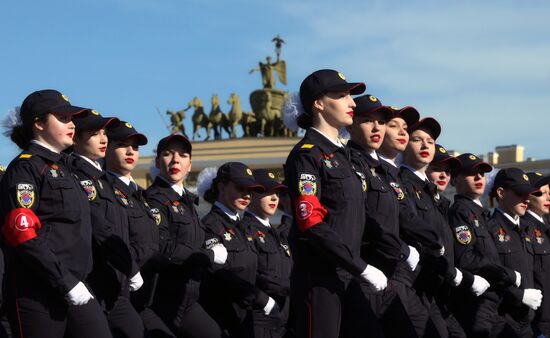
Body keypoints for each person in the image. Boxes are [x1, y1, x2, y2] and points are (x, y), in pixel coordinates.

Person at [283, 69, 388, 338]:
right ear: (318, 103)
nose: (352, 103)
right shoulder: (307, 156)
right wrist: (360, 266)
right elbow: (311, 221)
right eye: (342, 96)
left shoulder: (345, 157)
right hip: (320, 278)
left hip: (349, 275)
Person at [0, 89, 112, 338]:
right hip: (38, 290)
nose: (72, 124)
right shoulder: (25, 168)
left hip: (77, 284)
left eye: (72, 118)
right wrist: (64, 281)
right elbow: (22, 232)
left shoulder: (67, 168)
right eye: (62, 118)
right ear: (38, 123)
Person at [68, 110, 147, 337]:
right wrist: (130, 266)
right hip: (91, 282)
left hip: (115, 284)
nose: (103, 139)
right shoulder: (76, 174)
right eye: (95, 134)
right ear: (75, 138)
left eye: (104, 133)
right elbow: (99, 227)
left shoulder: (103, 179)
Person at [345, 94, 418, 337]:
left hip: (392, 275)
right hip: (365, 274)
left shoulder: (383, 170)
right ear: (351, 124)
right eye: (367, 120)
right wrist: (403, 249)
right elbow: (365, 219)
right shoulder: (349, 164)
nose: (377, 127)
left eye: (382, 121)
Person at [145, 134, 226, 337]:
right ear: (157, 162)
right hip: (161, 299)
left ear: (190, 165)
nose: (175, 160)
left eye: (183, 155)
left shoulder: (189, 203)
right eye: (168, 154)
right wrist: (207, 256)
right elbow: (163, 248)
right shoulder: (154, 200)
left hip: (188, 300)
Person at [376, 106, 443, 337]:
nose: (425, 145)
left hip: (419, 278)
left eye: (405, 128)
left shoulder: (396, 177)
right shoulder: (385, 173)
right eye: (393, 126)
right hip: (394, 274)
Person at [105, 121, 176, 337]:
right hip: (118, 291)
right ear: (105, 147)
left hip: (144, 295)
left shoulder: (140, 195)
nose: (130, 151)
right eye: (122, 145)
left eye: (135, 147)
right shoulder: (104, 189)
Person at [399, 117, 462, 337]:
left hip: (436, 288)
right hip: (414, 284)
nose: (426, 145)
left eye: (431, 141)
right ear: (404, 143)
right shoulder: (402, 183)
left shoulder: (432, 194)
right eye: (417, 139)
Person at [448, 153, 518, 337]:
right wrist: (507, 274)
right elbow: (466, 257)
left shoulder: (484, 214)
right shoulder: (460, 212)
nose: (479, 177)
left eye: (482, 173)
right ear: (454, 180)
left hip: (497, 301)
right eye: (471, 173)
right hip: (477, 303)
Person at [199, 162, 270, 337]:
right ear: (221, 187)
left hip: (246, 316)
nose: (246, 195)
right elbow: (221, 274)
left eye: (250, 190)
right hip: (223, 318)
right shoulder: (211, 225)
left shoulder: (242, 225)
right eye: (240, 188)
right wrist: (260, 298)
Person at [488, 168, 544, 336]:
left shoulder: (526, 230)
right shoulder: (490, 229)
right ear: (501, 193)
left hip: (526, 322)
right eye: (520, 193)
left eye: (529, 194)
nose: (527, 199)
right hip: (502, 322)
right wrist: (519, 295)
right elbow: (489, 276)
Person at [238, 169, 292, 338]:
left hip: (283, 319)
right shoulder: (244, 230)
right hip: (260, 320)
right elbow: (252, 275)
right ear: (250, 194)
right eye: (265, 192)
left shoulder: (276, 233)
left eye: (276, 192)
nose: (274, 198)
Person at [522, 172, 550, 337]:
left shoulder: (545, 226)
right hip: (539, 321)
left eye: (549, 192)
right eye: (540, 193)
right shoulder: (527, 228)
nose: (547, 197)